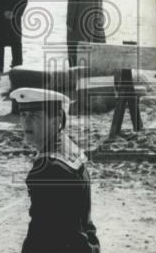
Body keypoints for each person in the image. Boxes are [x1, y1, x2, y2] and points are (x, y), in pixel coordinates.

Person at [10, 88, 101, 253]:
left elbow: (42, 235)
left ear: (56, 119)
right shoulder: (67, 147)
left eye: (35, 115)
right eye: (23, 115)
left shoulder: (48, 169)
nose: (26, 122)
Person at [67, 0, 105, 67]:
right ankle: (83, 74)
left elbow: (72, 7)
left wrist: (69, 24)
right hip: (88, 27)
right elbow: (97, 7)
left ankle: (72, 75)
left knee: (73, 52)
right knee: (84, 52)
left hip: (75, 28)